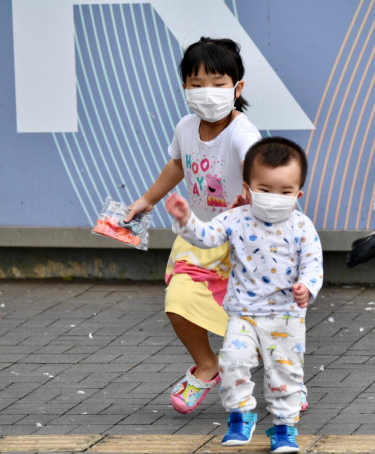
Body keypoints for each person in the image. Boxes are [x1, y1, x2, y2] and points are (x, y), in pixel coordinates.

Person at [124, 37, 262, 414]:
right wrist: (146, 200)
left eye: (218, 83)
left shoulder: (242, 133)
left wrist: (253, 195)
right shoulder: (186, 127)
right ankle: (206, 367)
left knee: (261, 323)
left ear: (237, 88)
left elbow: (260, 167)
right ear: (184, 86)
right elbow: (178, 164)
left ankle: (286, 385)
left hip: (246, 242)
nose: (207, 92)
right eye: (196, 83)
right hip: (200, 237)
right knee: (179, 302)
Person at [165, 137, 323, 454]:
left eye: (285, 192)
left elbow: (313, 264)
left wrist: (307, 287)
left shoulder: (302, 227)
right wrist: (186, 219)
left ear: (298, 194)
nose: (274, 198)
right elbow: (206, 237)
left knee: (284, 373)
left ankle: (284, 429)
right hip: (244, 314)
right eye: (264, 189)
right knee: (234, 362)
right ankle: (241, 417)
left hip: (286, 316)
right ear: (248, 188)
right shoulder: (236, 218)